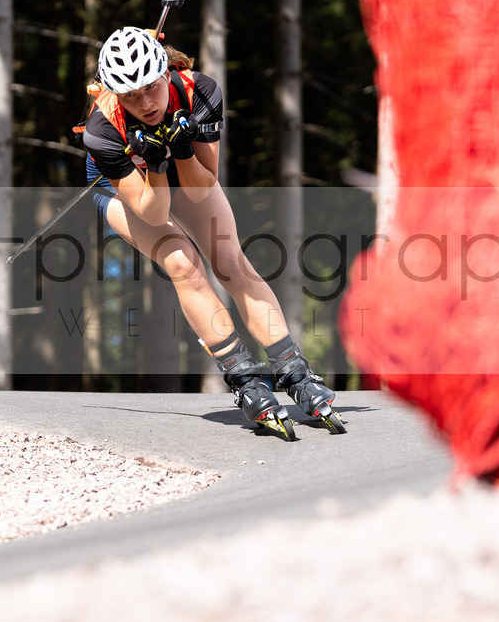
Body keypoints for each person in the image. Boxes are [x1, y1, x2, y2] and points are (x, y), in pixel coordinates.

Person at [82, 26, 336, 430]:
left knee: (231, 262)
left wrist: (180, 148)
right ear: (115, 93)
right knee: (181, 262)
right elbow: (152, 210)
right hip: (127, 191)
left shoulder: (199, 92)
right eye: (130, 96)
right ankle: (245, 378)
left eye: (150, 88)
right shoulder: (101, 131)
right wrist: (156, 164)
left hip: (189, 175)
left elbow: (202, 187)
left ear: (165, 74)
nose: (145, 103)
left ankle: (296, 373)